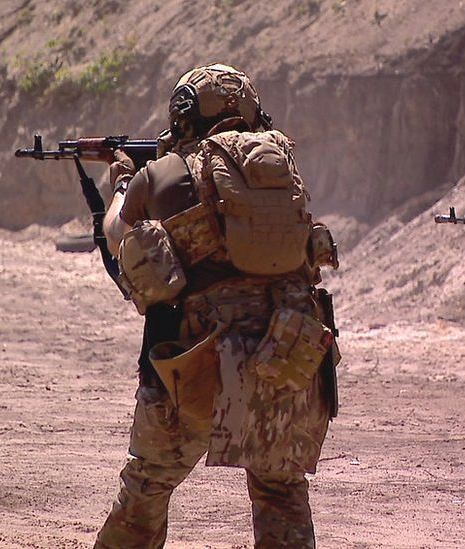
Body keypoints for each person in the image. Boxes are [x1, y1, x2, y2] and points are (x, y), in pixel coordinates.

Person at [95, 63, 340, 548]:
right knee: (280, 487)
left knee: (148, 484)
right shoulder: (282, 170)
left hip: (198, 371)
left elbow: (117, 234)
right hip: (289, 362)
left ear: (184, 113)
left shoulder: (164, 175)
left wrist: (123, 183)